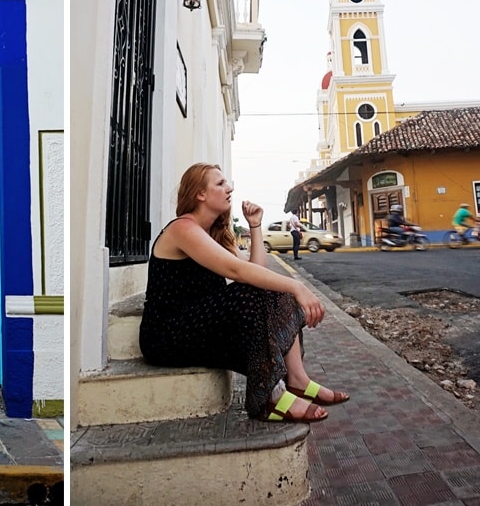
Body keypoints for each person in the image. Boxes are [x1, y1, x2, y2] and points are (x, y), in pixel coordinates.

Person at [139, 163, 349, 423]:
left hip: (200, 327)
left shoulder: (213, 235)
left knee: (269, 289)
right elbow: (237, 271)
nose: (230, 188)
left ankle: (297, 379)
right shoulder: (182, 228)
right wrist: (298, 286)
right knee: (250, 295)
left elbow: (256, 271)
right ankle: (270, 395)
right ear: (200, 194)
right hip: (167, 335)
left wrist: (255, 226)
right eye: (220, 184)